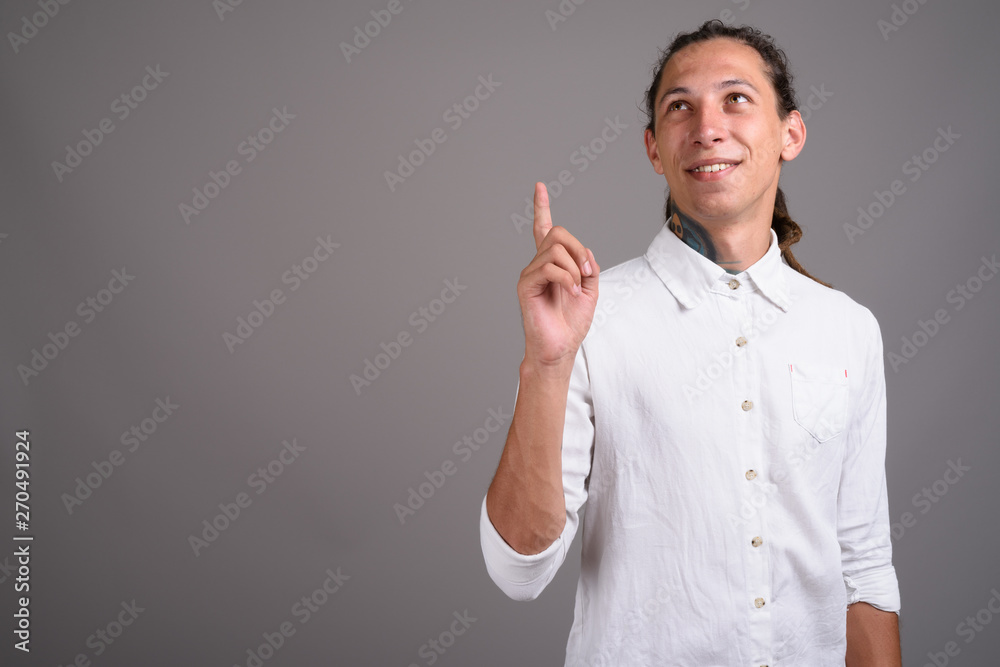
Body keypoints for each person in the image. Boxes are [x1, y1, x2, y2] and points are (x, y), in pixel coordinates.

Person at [480, 19, 902, 666]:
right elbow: (519, 572)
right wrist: (547, 364)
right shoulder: (591, 322)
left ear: (790, 134)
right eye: (680, 106)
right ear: (654, 149)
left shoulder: (848, 328)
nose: (707, 127)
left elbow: (864, 568)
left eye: (736, 99)